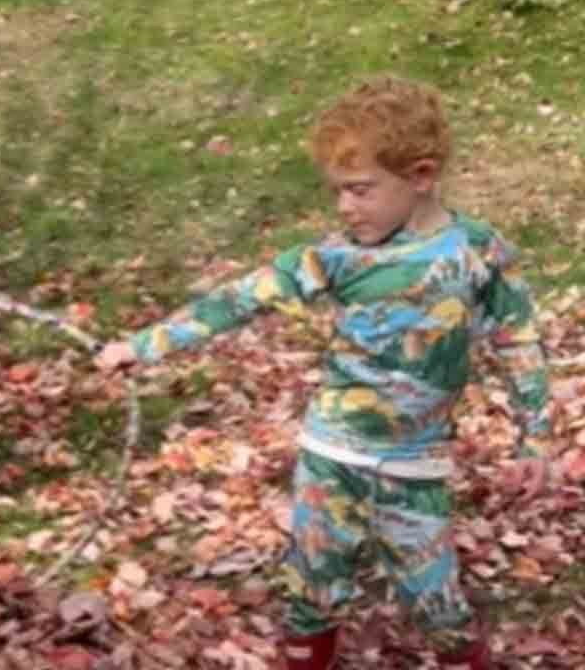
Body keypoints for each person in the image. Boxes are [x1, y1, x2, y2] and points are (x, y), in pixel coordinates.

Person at [96, 75, 553, 669]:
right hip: (330, 458)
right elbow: (241, 299)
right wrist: (143, 345)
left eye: (360, 190)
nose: (344, 207)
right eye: (337, 191)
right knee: (311, 595)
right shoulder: (336, 257)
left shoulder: (478, 252)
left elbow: (518, 339)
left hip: (415, 468)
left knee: (439, 607)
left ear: (420, 176)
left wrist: (534, 437)